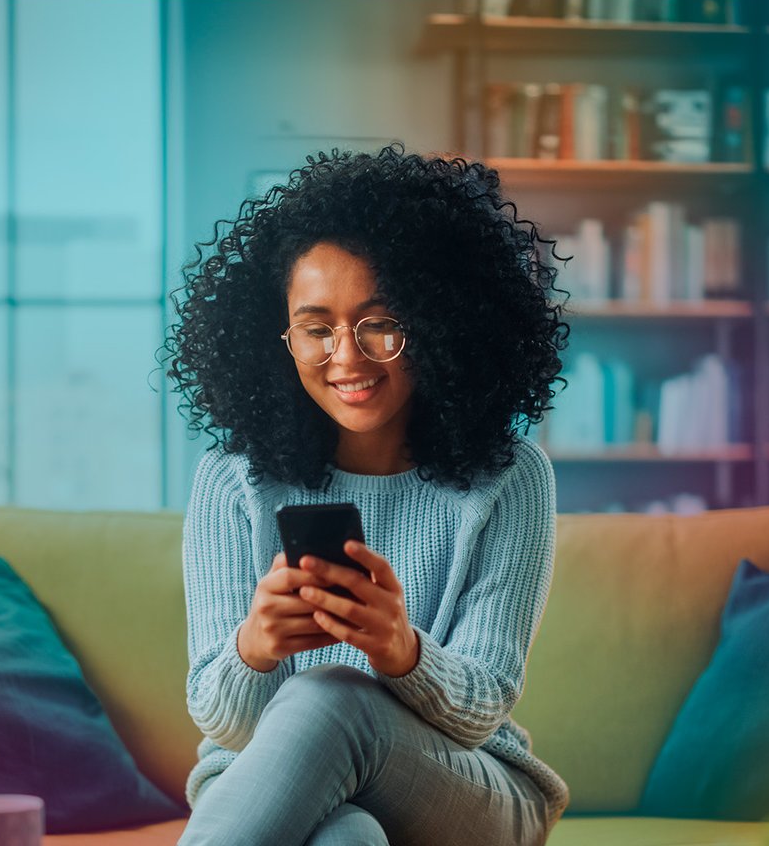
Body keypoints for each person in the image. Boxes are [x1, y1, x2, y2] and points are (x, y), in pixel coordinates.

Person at [162, 144, 571, 846]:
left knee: (332, 696)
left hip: (465, 790)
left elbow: (482, 710)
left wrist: (402, 651)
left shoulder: (511, 477)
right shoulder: (232, 481)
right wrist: (254, 649)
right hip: (267, 786)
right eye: (317, 328)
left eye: (380, 323)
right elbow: (221, 721)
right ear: (280, 339)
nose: (346, 357)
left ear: (443, 326)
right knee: (346, 841)